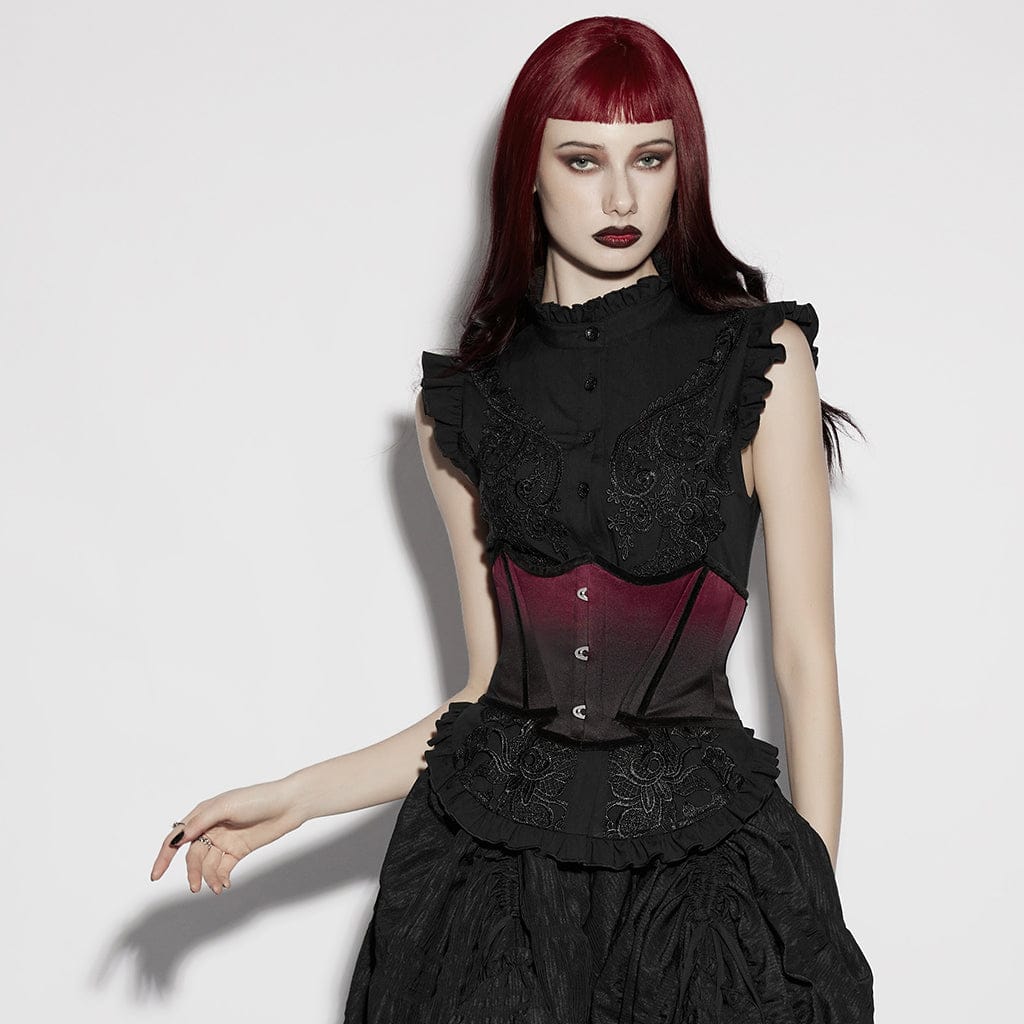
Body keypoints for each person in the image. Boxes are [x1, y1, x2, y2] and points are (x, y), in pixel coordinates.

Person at [150, 16, 875, 1022]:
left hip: (702, 893)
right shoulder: (462, 402)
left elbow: (803, 661)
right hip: (490, 892)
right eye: (583, 159)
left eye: (650, 158)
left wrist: (807, 913)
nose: (620, 197)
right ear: (527, 170)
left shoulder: (761, 360)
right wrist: (296, 796)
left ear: (683, 170)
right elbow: (487, 694)